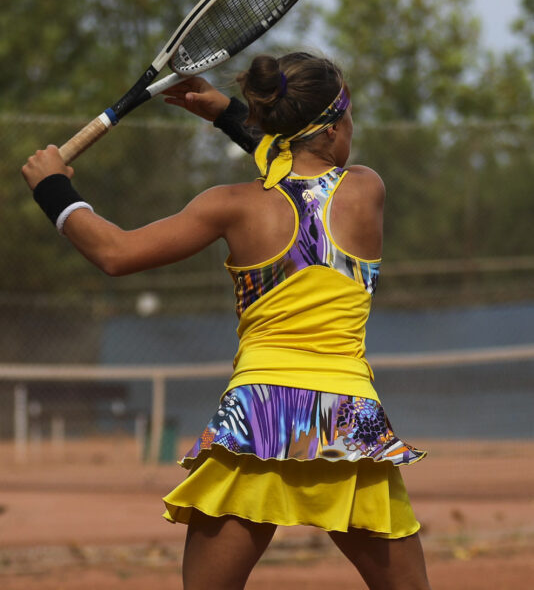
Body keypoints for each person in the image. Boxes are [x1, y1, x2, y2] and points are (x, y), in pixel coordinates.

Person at [22, 52, 431, 590]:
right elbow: (294, 168)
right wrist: (230, 115)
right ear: (334, 129)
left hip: (259, 414)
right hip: (344, 417)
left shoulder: (229, 205)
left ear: (272, 121)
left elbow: (115, 253)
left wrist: (53, 187)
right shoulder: (365, 189)